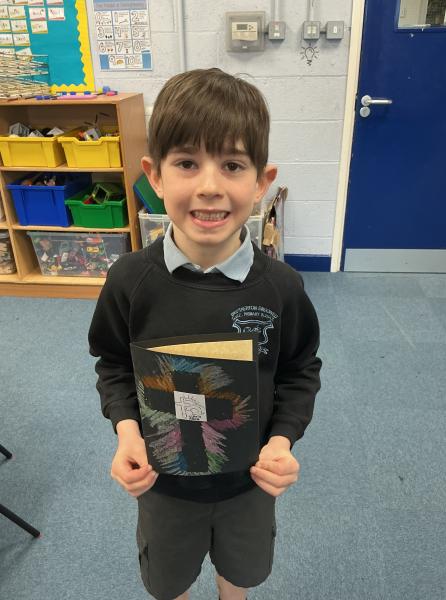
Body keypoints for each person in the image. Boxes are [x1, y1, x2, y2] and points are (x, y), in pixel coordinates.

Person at [88, 67, 321, 600]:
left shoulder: (281, 287)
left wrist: (282, 440)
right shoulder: (129, 281)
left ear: (261, 182)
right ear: (155, 177)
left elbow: (300, 370)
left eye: (233, 165)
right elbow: (114, 364)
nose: (210, 186)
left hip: (249, 483)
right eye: (187, 163)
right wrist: (127, 432)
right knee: (169, 579)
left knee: (241, 572)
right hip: (163, 484)